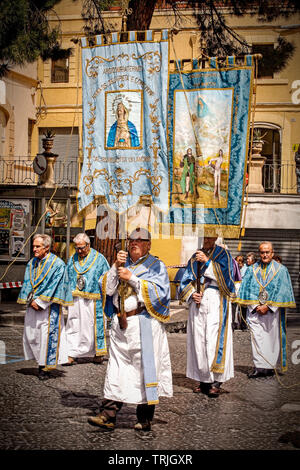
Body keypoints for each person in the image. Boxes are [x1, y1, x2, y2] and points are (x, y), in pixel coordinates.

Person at [88, 227, 173, 431]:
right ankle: (108, 414)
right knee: (116, 369)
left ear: (148, 244)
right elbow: (107, 289)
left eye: (139, 240)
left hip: (143, 322)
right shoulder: (121, 263)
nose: (134, 242)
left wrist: (132, 279)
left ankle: (144, 418)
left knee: (145, 370)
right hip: (120, 323)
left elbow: (160, 293)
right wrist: (116, 267)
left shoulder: (156, 265)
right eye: (131, 239)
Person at [179, 236, 236, 398]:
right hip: (198, 305)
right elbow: (185, 280)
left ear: (215, 237)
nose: (206, 239)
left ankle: (216, 381)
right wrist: (192, 294)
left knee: (213, 341)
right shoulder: (194, 256)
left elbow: (228, 280)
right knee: (199, 341)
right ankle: (203, 379)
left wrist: (208, 263)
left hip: (216, 301)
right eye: (204, 235)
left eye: (210, 236)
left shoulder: (223, 254)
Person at [236, 241, 296, 378]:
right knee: (257, 338)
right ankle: (259, 367)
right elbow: (247, 289)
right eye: (262, 252)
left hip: (272, 312)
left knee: (271, 338)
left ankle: (269, 366)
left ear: (272, 253)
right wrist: (256, 306)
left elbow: (283, 290)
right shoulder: (252, 269)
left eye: (267, 252)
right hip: (255, 310)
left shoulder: (281, 270)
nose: (264, 255)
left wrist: (268, 306)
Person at [17, 234, 69, 380]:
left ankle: (44, 367)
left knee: (46, 337)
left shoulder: (58, 264)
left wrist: (40, 302)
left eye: (37, 246)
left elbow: (56, 285)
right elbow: (27, 282)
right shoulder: (31, 263)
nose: (34, 249)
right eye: (33, 246)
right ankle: (39, 362)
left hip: (48, 308)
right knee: (33, 335)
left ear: (47, 247)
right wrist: (30, 300)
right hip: (32, 305)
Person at [63, 233, 110, 366]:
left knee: (91, 326)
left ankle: (97, 353)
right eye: (77, 248)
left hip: (93, 301)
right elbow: (66, 278)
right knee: (73, 325)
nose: (79, 251)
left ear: (88, 245)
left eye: (82, 248)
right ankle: (71, 353)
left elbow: (107, 278)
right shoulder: (72, 259)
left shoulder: (100, 259)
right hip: (75, 300)